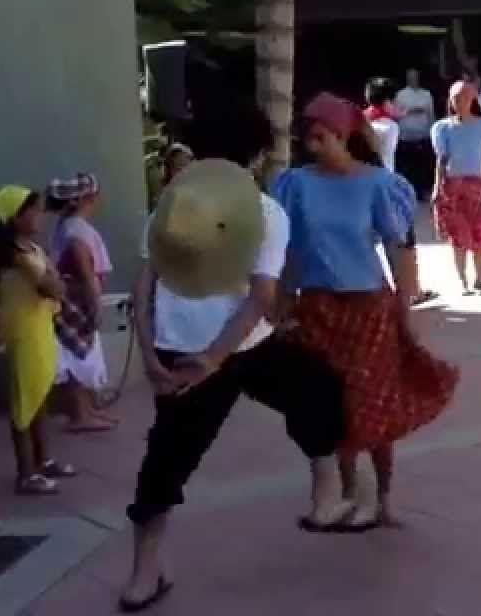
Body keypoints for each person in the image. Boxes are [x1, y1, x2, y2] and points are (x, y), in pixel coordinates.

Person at [122, 106, 352, 612]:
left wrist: (156, 352)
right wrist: (185, 359)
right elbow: (256, 297)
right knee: (167, 461)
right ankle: (146, 573)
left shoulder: (176, 204)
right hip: (196, 357)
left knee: (317, 386)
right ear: (256, 156)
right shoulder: (258, 211)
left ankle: (326, 496)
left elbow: (146, 287)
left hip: (237, 347)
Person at [273, 93, 458, 534]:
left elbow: (398, 247)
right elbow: (289, 251)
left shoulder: (377, 184)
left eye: (321, 137)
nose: (312, 145)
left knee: (372, 401)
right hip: (317, 307)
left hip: (369, 306)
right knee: (332, 404)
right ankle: (349, 495)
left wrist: (406, 307)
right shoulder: (294, 184)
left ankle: (383, 498)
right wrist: (283, 304)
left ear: (343, 135)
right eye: (308, 137)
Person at [0, 186, 74, 496]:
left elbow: (55, 282)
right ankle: (26, 473)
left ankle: (43, 460)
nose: (40, 215)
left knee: (39, 397)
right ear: (15, 217)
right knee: (24, 402)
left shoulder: (33, 249)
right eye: (33, 210)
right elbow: (52, 286)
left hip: (40, 327)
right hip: (24, 332)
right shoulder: (14, 254)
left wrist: (55, 281)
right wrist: (55, 281)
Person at [46, 173, 118, 433]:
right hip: (77, 301)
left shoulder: (69, 226)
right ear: (88, 198)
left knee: (85, 353)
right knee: (78, 356)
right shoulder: (76, 231)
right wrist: (95, 302)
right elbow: (85, 272)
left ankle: (86, 410)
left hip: (75, 299)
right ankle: (79, 414)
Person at [366, 78, 438, 307]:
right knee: (403, 242)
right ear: (387, 101)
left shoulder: (361, 122)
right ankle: (410, 292)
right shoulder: (389, 127)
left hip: (360, 188)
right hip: (385, 188)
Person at [431, 80, 481, 294]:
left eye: (464, 97)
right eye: (455, 98)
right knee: (457, 237)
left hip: (477, 186)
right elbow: (441, 160)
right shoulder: (442, 128)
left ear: (473, 100)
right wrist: (437, 186)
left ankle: (479, 279)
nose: (460, 102)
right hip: (452, 187)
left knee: (480, 234)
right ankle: (463, 281)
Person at [394, 67, 437, 200]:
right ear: (407, 79)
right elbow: (395, 114)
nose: (413, 79)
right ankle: (407, 193)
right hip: (406, 136)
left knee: (422, 166)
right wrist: (410, 110)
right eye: (411, 77)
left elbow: (431, 114)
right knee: (407, 168)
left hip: (422, 135)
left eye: (415, 76)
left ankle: (421, 192)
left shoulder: (426, 94)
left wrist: (432, 131)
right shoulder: (400, 95)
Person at [364, 77, 401, 172]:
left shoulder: (361, 120)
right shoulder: (390, 127)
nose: (395, 105)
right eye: (393, 102)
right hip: (384, 174)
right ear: (386, 102)